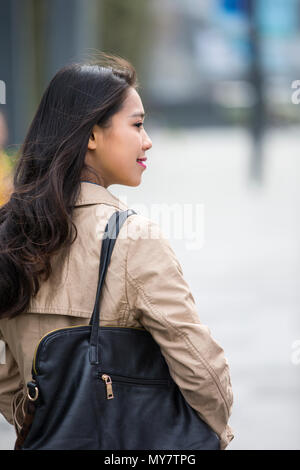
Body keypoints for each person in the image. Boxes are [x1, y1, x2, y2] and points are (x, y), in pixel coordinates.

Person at [0, 52, 234, 450]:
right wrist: (212, 435)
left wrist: (55, 427)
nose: (148, 140)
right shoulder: (133, 238)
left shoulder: (11, 234)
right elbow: (203, 372)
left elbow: (9, 381)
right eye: (137, 124)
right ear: (91, 135)